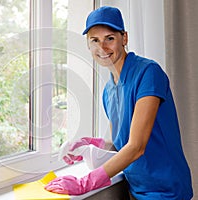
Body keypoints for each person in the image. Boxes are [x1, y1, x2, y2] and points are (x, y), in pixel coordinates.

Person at [45, 6, 193, 199]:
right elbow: (120, 144)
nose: (102, 48)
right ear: (88, 45)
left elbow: (136, 146)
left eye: (110, 38)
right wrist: (89, 145)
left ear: (124, 38)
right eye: (95, 40)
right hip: (137, 189)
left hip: (167, 191)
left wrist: (85, 183)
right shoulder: (109, 91)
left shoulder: (148, 73)